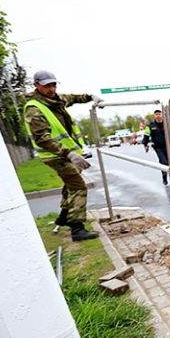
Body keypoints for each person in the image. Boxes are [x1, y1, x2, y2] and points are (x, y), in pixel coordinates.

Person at [23, 70, 101, 241]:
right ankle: (77, 229)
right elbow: (42, 139)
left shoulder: (55, 99)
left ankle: (63, 217)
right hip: (55, 156)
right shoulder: (34, 109)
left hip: (66, 153)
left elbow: (73, 98)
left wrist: (91, 97)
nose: (51, 89)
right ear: (36, 85)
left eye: (53, 85)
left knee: (70, 185)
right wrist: (69, 153)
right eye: (47, 86)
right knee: (78, 186)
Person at [142, 110, 170, 185]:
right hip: (158, 147)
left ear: (162, 115)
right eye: (156, 114)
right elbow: (146, 136)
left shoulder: (167, 124)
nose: (158, 116)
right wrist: (145, 145)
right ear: (154, 116)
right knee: (164, 162)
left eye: (159, 114)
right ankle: (164, 177)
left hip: (168, 145)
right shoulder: (150, 126)